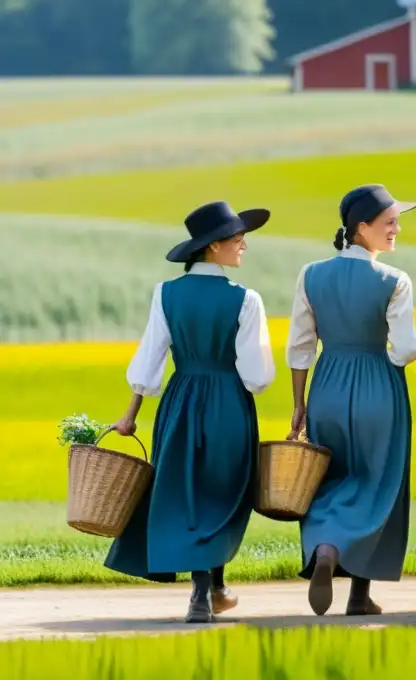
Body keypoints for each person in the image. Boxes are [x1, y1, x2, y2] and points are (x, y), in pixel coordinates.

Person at [105, 201, 276, 624]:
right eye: (238, 240)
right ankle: (210, 587)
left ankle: (207, 589)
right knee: (223, 489)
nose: (244, 246)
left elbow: (149, 361)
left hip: (180, 400)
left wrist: (129, 416)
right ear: (214, 247)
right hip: (228, 403)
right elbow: (257, 376)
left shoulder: (166, 293)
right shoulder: (246, 299)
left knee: (187, 488)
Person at [286, 183, 416, 617]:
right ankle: (359, 594)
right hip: (379, 389)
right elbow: (404, 351)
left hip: (326, 386)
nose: (397, 229)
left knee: (329, 478)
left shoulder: (311, 274)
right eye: (390, 222)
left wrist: (299, 402)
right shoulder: (394, 281)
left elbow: (300, 346)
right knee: (378, 485)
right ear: (362, 228)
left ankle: (326, 547)